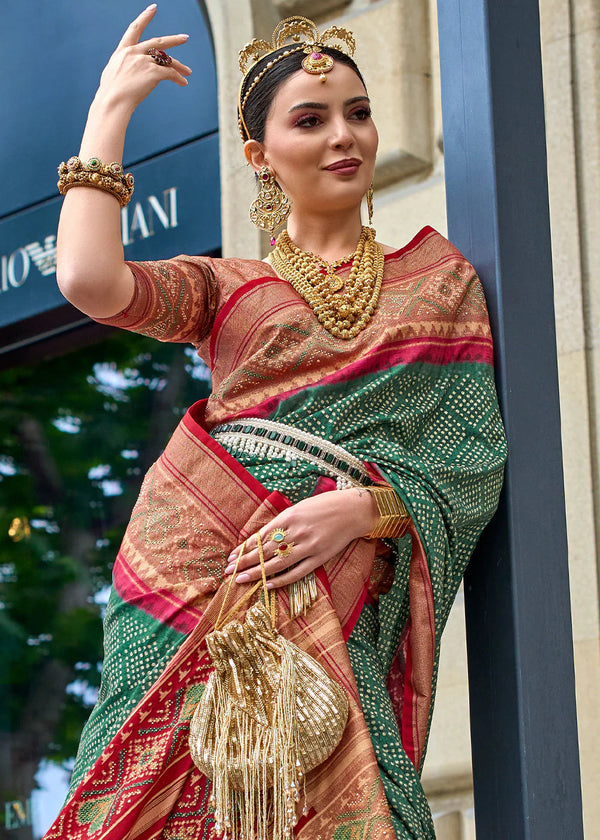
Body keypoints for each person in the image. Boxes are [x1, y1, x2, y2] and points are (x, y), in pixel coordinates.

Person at [45, 6, 507, 840]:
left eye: (359, 114)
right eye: (311, 120)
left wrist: (365, 511)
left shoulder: (441, 284)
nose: (346, 137)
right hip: (198, 571)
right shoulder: (229, 288)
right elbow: (88, 279)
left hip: (341, 591)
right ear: (259, 157)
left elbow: (470, 459)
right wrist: (109, 109)